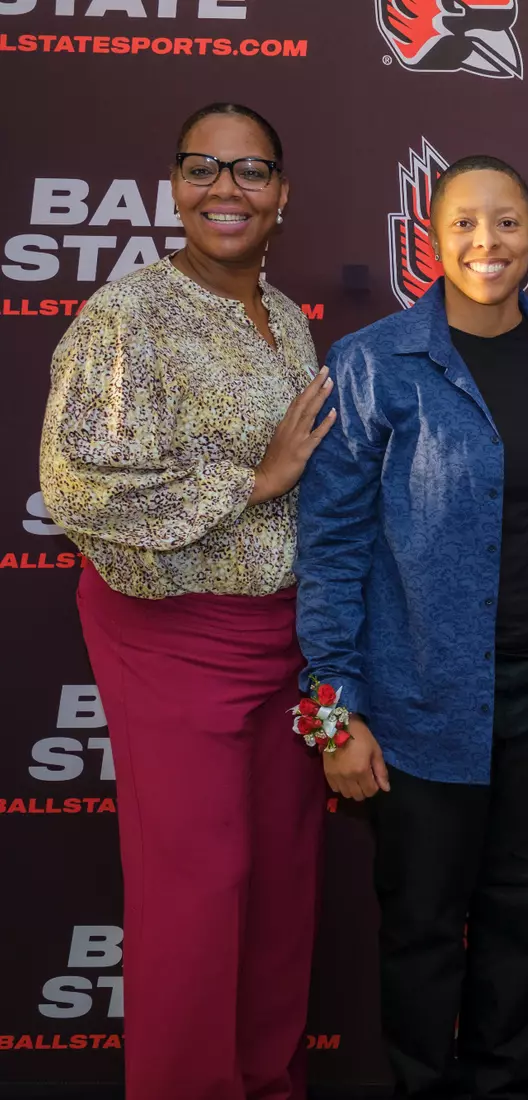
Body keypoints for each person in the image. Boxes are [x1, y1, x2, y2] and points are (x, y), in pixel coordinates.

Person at [295, 155, 528, 1099]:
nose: (489, 243)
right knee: (422, 929)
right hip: (413, 709)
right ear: (431, 240)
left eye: (508, 223)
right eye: (467, 225)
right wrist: (335, 711)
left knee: (522, 925)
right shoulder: (371, 363)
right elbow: (331, 549)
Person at [38, 102, 330, 1100]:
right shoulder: (128, 316)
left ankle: (265, 1079)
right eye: (203, 168)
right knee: (197, 895)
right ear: (174, 186)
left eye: (250, 172)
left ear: (282, 197)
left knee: (282, 889)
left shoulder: (286, 318)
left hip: (283, 639)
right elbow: (75, 486)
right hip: (174, 636)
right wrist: (255, 480)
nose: (226, 190)